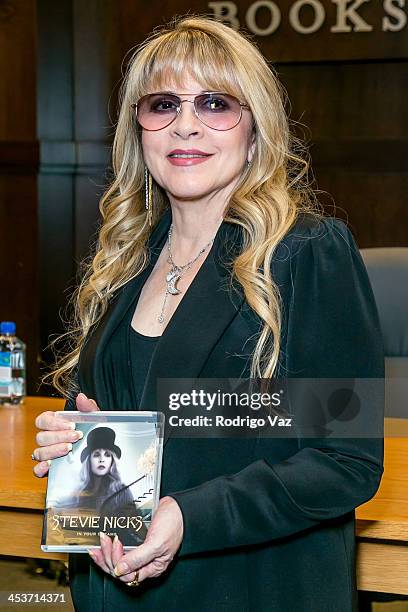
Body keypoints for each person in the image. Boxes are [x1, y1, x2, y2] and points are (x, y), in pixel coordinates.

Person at [32, 15, 384, 612]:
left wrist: (188, 516)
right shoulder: (125, 259)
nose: (186, 125)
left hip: (248, 589)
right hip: (118, 585)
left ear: (255, 130)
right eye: (163, 103)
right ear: (138, 129)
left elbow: (343, 460)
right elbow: (156, 420)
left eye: (216, 104)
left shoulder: (305, 253)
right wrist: (76, 440)